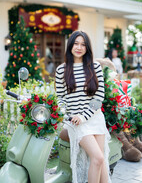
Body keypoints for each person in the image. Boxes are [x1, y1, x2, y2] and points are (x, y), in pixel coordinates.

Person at [55, 30, 111, 183]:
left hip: (94, 117)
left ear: (87, 48)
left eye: (83, 44)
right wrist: (67, 115)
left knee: (102, 161)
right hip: (76, 122)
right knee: (98, 158)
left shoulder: (95, 67)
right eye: (76, 43)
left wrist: (84, 115)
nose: (79, 47)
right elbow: (60, 99)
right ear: (70, 45)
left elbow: (99, 97)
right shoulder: (62, 70)